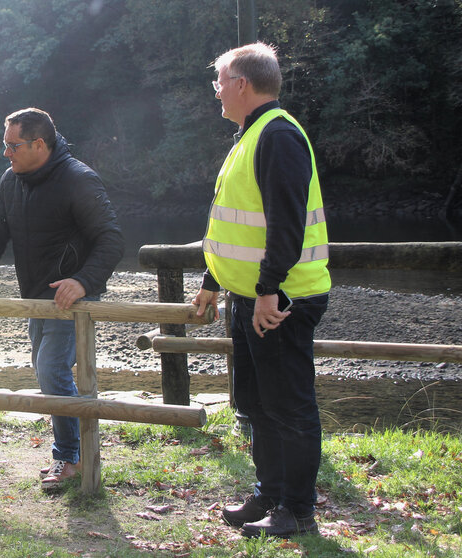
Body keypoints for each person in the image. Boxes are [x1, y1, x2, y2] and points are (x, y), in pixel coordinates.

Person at [192, 42, 330, 538]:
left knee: (287, 403)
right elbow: (236, 226)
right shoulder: (252, 135)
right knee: (254, 400)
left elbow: (286, 223)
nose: (216, 94)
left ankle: (297, 509)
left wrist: (270, 290)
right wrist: (214, 280)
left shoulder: (277, 136)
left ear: (241, 85)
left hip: (281, 299)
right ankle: (269, 493)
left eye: (219, 83)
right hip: (249, 294)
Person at [0, 108, 124, 488]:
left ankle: (70, 458)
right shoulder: (11, 181)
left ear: (39, 144)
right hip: (36, 298)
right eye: (5, 145)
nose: (6, 153)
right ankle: (71, 453)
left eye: (13, 146)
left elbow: (111, 240)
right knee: (47, 372)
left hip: (74, 298)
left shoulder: (79, 179)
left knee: (51, 371)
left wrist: (82, 281)